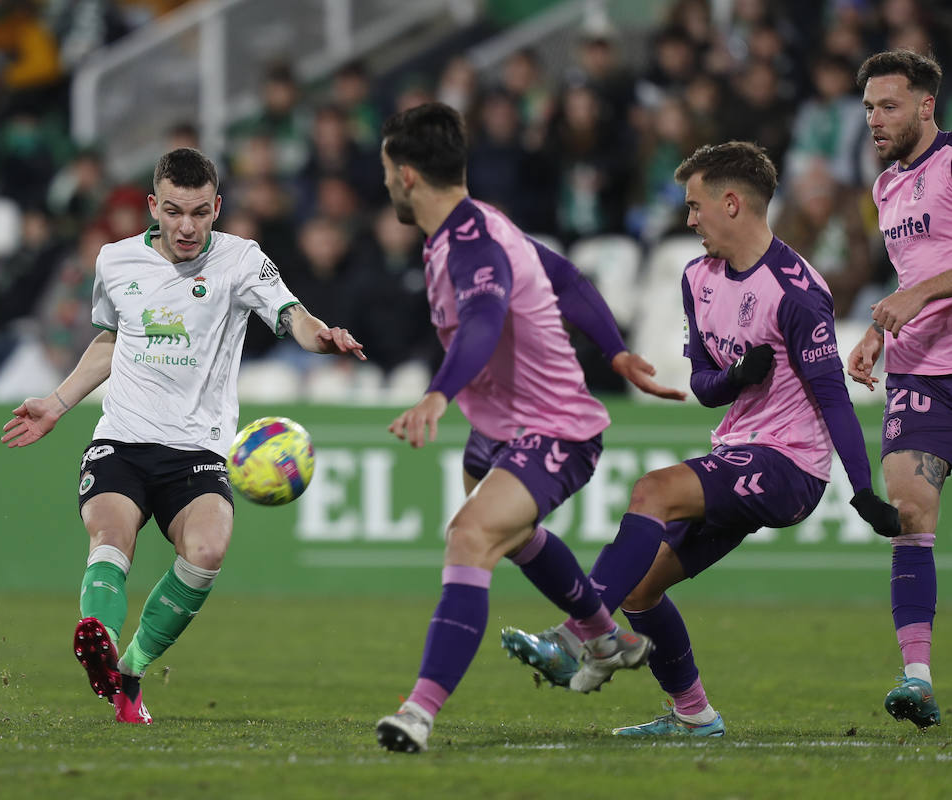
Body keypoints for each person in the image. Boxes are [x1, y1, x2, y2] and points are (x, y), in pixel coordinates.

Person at [505, 141, 901, 738]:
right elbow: (703, 386)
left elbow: (834, 398)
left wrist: (863, 489)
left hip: (791, 466)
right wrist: (736, 376)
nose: (688, 221)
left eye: (695, 207)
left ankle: (578, 635)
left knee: (653, 490)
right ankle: (695, 715)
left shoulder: (796, 291)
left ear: (732, 203)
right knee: (641, 587)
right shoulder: (698, 278)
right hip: (736, 450)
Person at [0, 147, 365, 724]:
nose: (187, 226)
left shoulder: (243, 260)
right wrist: (58, 403)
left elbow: (291, 314)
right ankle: (95, 632)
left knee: (208, 549)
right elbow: (109, 341)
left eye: (199, 212)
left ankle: (129, 671)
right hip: (121, 439)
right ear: (153, 206)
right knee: (110, 535)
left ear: (217, 207)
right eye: (174, 211)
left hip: (197, 451)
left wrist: (323, 338)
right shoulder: (115, 261)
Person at [369, 103, 688, 755]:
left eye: (384, 172)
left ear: (404, 176)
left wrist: (437, 394)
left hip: (555, 427)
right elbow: (565, 277)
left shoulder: (472, 242)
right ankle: (607, 636)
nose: (384, 184)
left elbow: (484, 319)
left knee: (469, 536)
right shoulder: (483, 224)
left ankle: (418, 711)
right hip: (499, 428)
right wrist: (617, 349)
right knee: (513, 537)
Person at [847, 49, 952, 730]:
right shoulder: (886, 188)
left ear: (925, 105)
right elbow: (912, 277)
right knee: (909, 511)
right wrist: (879, 331)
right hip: (919, 373)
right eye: (866, 109)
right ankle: (916, 678)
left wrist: (913, 294)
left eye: (887, 106)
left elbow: (922, 283)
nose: (874, 120)